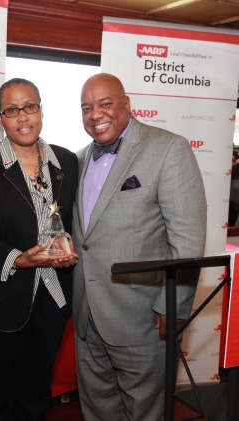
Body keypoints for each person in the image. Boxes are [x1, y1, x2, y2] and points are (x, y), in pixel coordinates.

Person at [72, 73, 207, 421]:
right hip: (88, 318)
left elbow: (188, 241)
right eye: (87, 108)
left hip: (143, 319)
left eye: (105, 104)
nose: (95, 114)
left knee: (146, 414)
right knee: (98, 410)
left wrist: (173, 307)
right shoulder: (79, 159)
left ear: (127, 104)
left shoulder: (168, 149)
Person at [0, 78, 78, 420]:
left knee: (36, 396)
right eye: (12, 110)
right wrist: (18, 259)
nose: (23, 117)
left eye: (30, 107)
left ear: (40, 110)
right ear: (0, 117)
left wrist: (67, 240)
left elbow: (70, 221)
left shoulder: (66, 161)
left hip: (52, 300)